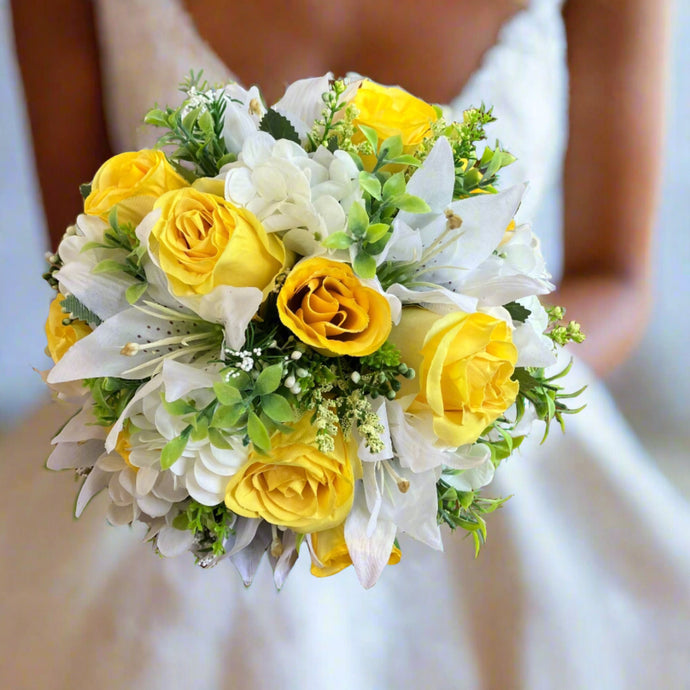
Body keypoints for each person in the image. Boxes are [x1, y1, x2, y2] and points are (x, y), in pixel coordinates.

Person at [5, 1, 688, 688]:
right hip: (184, 468)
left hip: (495, 467)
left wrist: (425, 394)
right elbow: (85, 271)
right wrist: (244, 406)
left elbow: (616, 281)